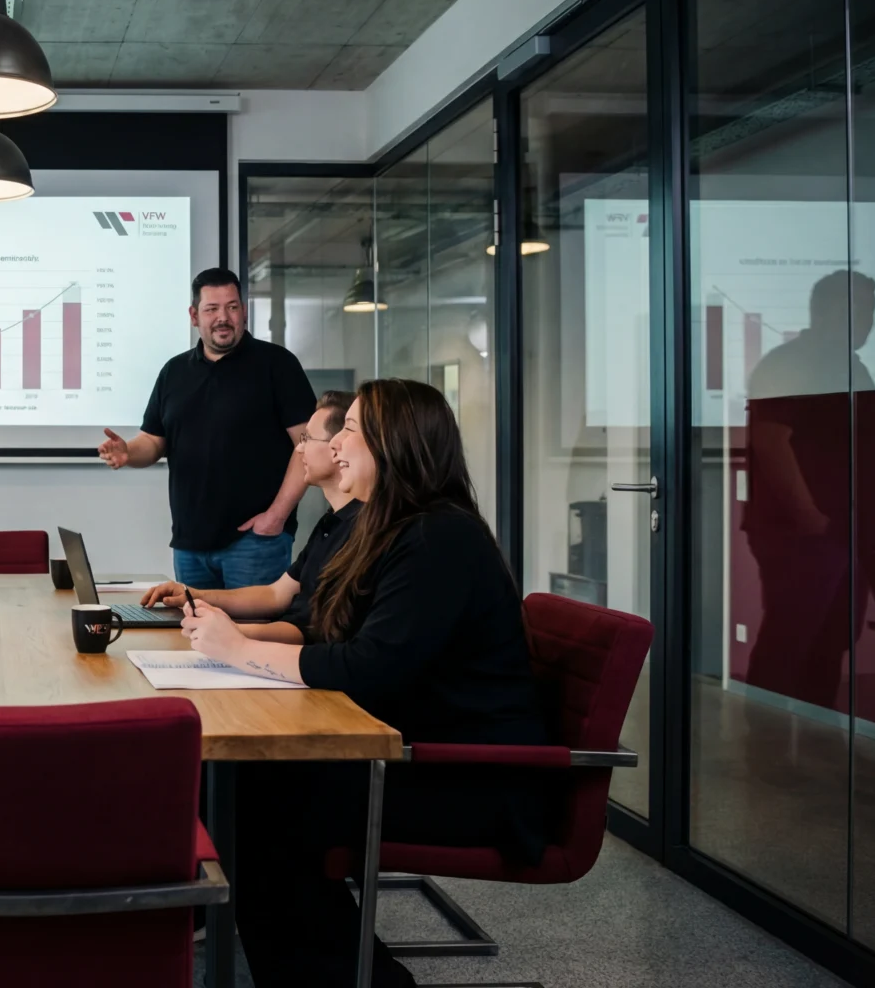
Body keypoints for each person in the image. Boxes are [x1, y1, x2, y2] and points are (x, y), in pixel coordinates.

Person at [179, 378, 552, 987]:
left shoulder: (437, 536)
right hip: (400, 747)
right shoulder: (389, 529)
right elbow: (333, 637)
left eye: (351, 429)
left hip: (469, 776)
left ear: (396, 445)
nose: (333, 442)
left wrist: (241, 649)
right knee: (236, 788)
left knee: (255, 808)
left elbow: (365, 667)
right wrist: (235, 646)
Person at [742, 271, 875, 709]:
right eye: (865, 309)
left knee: (827, 646)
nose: (871, 321)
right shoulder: (794, 362)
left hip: (844, 536)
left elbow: (855, 442)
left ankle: (814, 751)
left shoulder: (848, 366)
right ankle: (762, 755)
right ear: (833, 310)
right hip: (811, 537)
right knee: (790, 644)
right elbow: (770, 439)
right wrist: (811, 519)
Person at [97, 267, 317, 589]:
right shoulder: (173, 372)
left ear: (243, 311)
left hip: (255, 542)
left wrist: (277, 517)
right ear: (194, 315)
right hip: (189, 545)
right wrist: (128, 452)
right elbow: (154, 441)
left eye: (231, 307)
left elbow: (308, 444)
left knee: (250, 636)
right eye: (211, 309)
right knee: (195, 638)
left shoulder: (277, 365)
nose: (222, 317)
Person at [139, 390, 357, 640]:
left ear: (338, 448)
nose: (298, 449)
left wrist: (231, 633)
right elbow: (275, 595)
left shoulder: (363, 529)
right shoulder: (331, 523)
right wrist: (194, 594)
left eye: (307, 438)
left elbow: (315, 633)